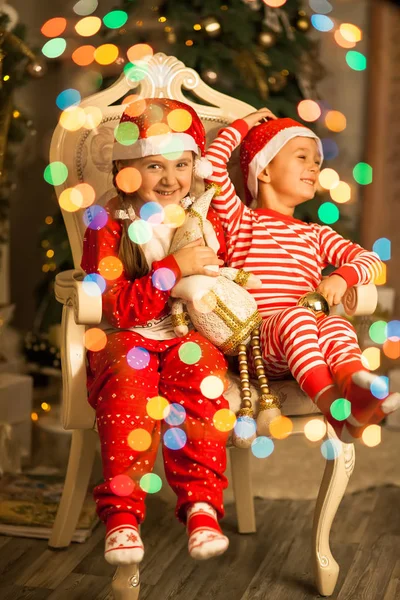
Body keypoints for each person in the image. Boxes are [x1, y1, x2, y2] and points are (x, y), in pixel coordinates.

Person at [81, 98, 231, 566]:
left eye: (182, 164)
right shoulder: (105, 223)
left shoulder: (202, 219)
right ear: (125, 169)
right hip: (125, 335)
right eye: (154, 165)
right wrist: (173, 269)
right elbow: (118, 308)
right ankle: (123, 515)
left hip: (187, 332)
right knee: (128, 383)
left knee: (204, 375)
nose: (171, 179)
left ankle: (202, 505)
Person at [204, 109, 400, 441]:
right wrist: (244, 125)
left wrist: (343, 276)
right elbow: (211, 165)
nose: (314, 167)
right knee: (298, 318)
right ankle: (335, 409)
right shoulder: (242, 220)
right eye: (302, 157)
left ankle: (357, 392)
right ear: (264, 170)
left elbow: (371, 260)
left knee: (337, 323)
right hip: (257, 342)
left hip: (303, 340)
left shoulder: (316, 234)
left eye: (317, 161)